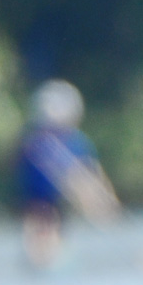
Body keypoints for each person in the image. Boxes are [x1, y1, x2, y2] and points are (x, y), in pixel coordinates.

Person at [16, 79, 120, 270]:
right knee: (38, 228)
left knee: (54, 232)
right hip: (36, 202)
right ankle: (39, 260)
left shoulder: (76, 142)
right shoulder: (34, 142)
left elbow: (93, 173)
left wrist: (104, 201)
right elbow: (11, 161)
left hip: (58, 205)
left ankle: (51, 258)